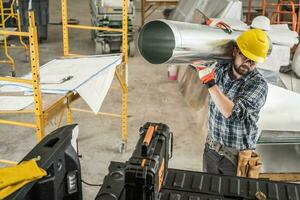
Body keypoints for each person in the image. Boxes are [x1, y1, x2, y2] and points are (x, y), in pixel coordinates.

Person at [196, 29, 270, 176]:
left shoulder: (258, 85)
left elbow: (232, 112)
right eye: (245, 56)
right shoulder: (221, 68)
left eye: (253, 61)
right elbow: (199, 53)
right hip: (211, 149)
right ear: (235, 51)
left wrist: (210, 83)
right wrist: (213, 29)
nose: (248, 64)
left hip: (236, 159)